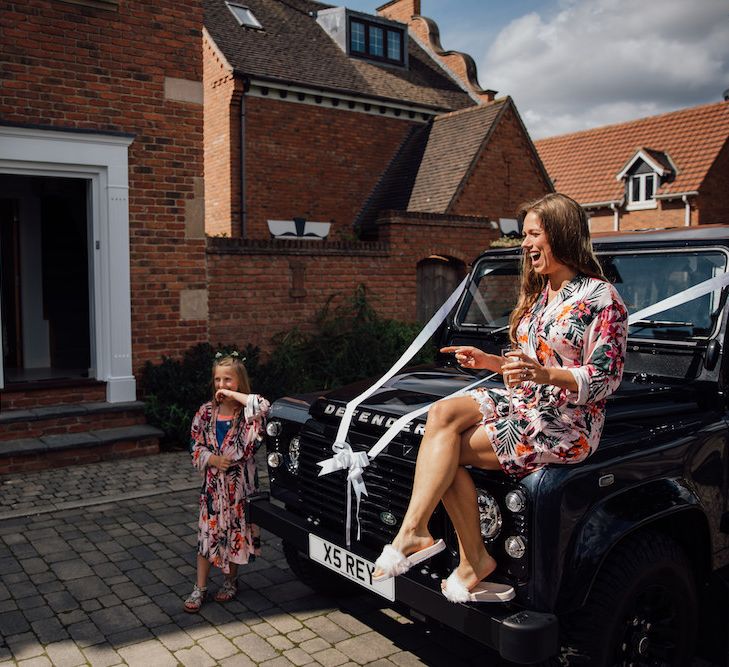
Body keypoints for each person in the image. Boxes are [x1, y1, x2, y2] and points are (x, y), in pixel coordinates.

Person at [372, 193, 628, 603]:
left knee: (448, 449)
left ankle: (466, 555)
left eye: (532, 234)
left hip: (564, 424)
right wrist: (490, 362)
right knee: (442, 415)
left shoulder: (602, 300)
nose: (524, 244)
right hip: (526, 403)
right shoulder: (544, 293)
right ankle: (420, 533)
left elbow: (606, 378)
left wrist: (547, 374)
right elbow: (528, 365)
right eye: (523, 235)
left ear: (560, 233)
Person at [184, 351, 270, 612]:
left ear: (239, 383)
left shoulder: (248, 413)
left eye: (228, 380)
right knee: (207, 536)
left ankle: (230, 581)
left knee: (233, 534)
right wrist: (211, 459)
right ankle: (199, 588)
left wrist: (234, 397)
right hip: (212, 489)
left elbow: (265, 405)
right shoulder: (206, 412)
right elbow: (194, 444)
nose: (221, 385)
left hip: (239, 488)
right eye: (218, 380)